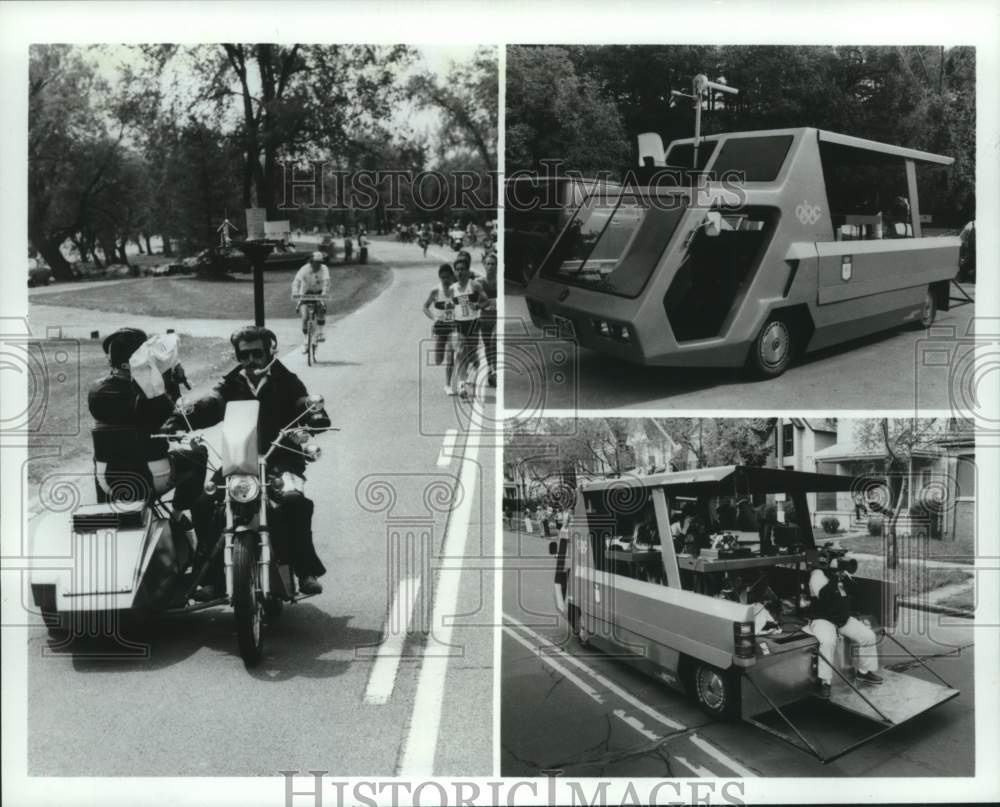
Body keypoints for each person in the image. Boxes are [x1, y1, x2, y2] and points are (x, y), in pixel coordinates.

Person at [168, 326, 331, 597]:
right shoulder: (233, 382)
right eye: (244, 355)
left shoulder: (286, 379)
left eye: (257, 353)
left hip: (280, 459)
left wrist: (314, 415)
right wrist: (181, 419)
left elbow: (302, 401)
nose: (251, 360)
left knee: (294, 501)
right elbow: (213, 403)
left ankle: (305, 571)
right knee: (204, 504)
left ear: (269, 351)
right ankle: (211, 580)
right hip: (239, 459)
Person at [88, 327, 206, 518]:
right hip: (152, 476)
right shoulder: (152, 391)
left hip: (108, 481)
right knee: (199, 455)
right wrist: (172, 380)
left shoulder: (95, 390)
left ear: (112, 360)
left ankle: (105, 512)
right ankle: (177, 515)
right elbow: (170, 414)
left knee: (101, 453)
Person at [803, 559, 883, 699]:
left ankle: (864, 672)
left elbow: (856, 592)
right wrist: (834, 578)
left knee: (868, 636)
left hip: (842, 618)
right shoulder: (817, 574)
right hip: (823, 619)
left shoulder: (841, 574)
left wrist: (844, 577)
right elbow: (824, 596)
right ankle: (825, 682)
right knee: (828, 642)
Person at [450, 256, 488, 400]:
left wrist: (478, 305)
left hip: (472, 323)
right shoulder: (451, 289)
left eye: (462, 269)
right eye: (457, 270)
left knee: (472, 356)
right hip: (458, 324)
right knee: (460, 353)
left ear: (467, 271)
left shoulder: (475, 286)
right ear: (455, 272)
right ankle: (461, 384)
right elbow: (447, 308)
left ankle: (469, 380)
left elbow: (486, 301)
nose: (460, 272)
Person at [423, 263, 458, 395]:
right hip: (440, 326)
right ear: (439, 277)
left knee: (451, 355)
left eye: (448, 277)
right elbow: (425, 307)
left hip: (453, 326)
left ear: (452, 276)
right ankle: (449, 379)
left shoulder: (457, 290)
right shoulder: (435, 291)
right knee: (438, 360)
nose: (445, 280)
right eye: (443, 277)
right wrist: (433, 317)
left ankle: (448, 385)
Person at [292, 251, 331, 353]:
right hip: (306, 293)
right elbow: (296, 281)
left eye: (320, 262)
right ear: (311, 261)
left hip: (319, 292)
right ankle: (306, 340)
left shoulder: (324, 269)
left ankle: (321, 332)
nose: (317, 264)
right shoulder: (304, 269)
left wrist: (323, 296)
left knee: (321, 307)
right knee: (305, 317)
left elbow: (326, 283)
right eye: (315, 262)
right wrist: (295, 292)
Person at [477, 252, 498, 387]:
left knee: (493, 341)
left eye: (493, 264)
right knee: (487, 345)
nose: (490, 266)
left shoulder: (499, 281)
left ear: (497, 266)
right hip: (484, 318)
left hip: (497, 318)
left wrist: (488, 301)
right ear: (484, 265)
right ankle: (491, 369)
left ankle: (495, 369)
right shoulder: (479, 282)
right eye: (488, 264)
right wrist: (492, 301)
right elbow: (477, 304)